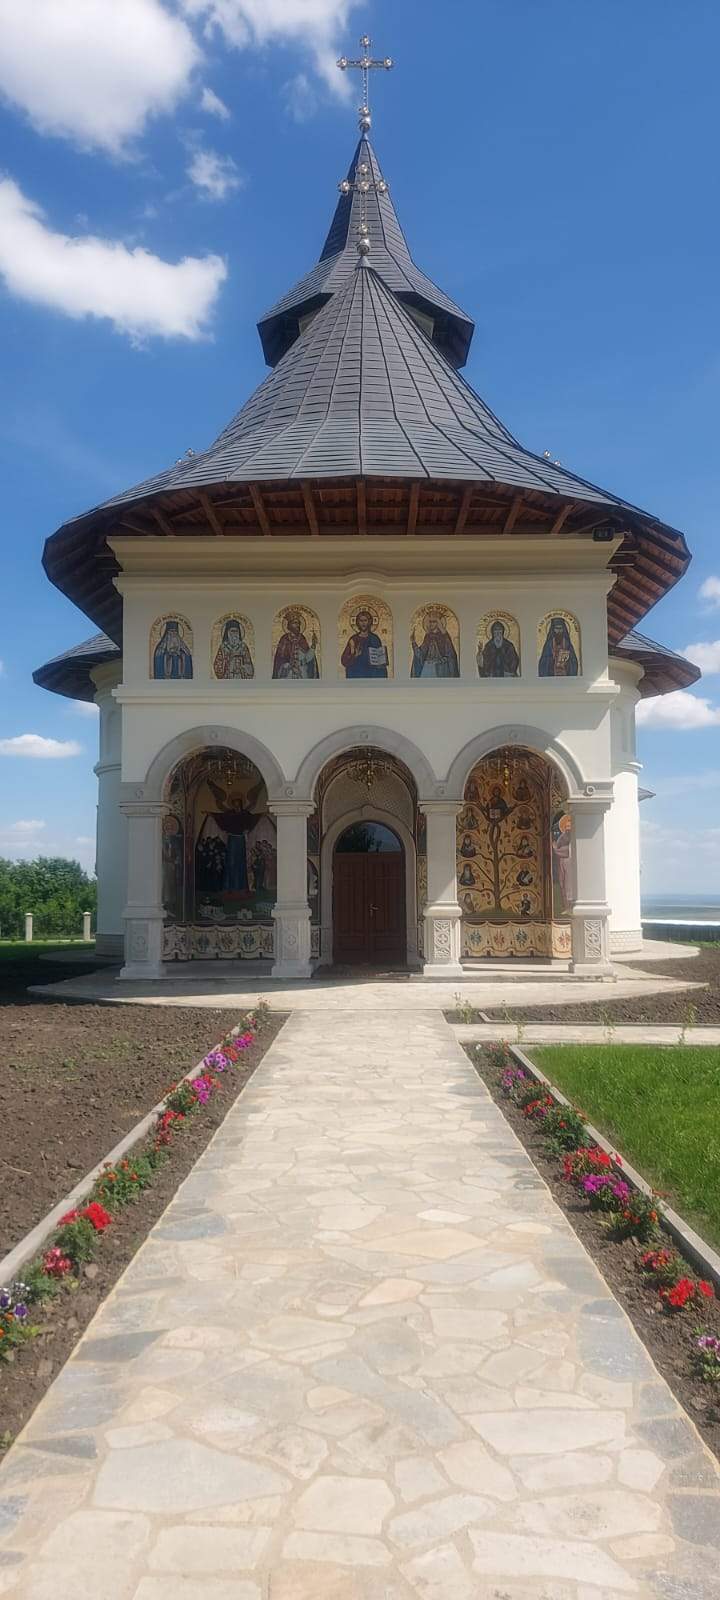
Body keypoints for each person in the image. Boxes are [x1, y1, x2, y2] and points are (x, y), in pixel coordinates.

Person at [205, 779, 262, 893]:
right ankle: (229, 887)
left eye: (238, 804)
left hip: (240, 839)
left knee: (240, 862)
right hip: (232, 839)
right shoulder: (229, 814)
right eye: (234, 804)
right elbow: (221, 817)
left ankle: (241, 887)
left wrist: (262, 814)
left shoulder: (245, 814)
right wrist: (211, 813)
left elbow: (252, 818)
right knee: (231, 862)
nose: (236, 806)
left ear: (241, 804)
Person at [411, 608, 459, 678]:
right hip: (427, 667)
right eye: (430, 621)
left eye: (434, 621)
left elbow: (451, 656)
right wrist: (413, 642)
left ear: (439, 623)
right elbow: (421, 654)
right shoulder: (428, 636)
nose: (431, 624)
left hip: (441, 669)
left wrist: (440, 661)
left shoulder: (444, 637)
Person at [341, 608, 388, 678]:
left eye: (365, 620)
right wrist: (354, 655)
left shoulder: (375, 638)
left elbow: (380, 660)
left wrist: (382, 659)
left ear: (369, 622)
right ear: (357, 622)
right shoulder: (353, 639)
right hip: (357, 674)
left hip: (372, 674)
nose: (363, 623)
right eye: (361, 621)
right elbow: (344, 660)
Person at [272, 610, 319, 679]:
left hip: (302, 673)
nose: (298, 625)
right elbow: (279, 659)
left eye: (299, 623)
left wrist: (313, 646)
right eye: (295, 623)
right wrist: (288, 665)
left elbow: (307, 658)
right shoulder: (285, 639)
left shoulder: (302, 638)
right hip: (287, 673)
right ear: (289, 625)